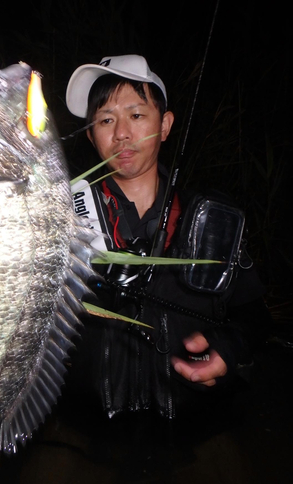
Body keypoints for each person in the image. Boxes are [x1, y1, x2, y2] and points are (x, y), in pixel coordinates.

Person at [63, 54, 271, 422]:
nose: (121, 133)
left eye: (137, 115)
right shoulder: (58, 221)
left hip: (197, 427)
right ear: (93, 137)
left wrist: (228, 348)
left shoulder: (211, 220)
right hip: (80, 429)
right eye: (106, 120)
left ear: (165, 125)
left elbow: (254, 316)